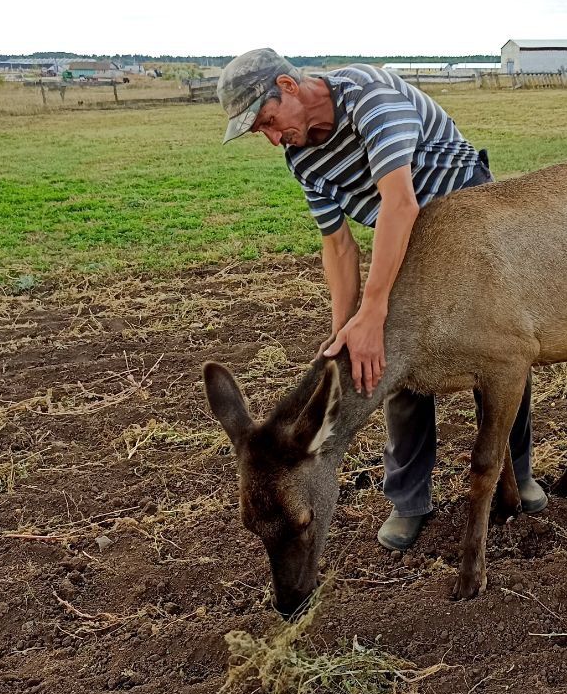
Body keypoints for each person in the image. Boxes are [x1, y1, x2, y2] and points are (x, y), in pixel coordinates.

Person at [216, 49, 546, 550]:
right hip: (409, 232)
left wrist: (373, 310)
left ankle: (516, 473)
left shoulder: (371, 97)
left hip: (467, 214)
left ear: (287, 85)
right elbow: (338, 244)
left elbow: (400, 200)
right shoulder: (301, 156)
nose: (271, 137)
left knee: (497, 351)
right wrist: (345, 328)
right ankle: (410, 500)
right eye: (260, 131)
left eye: (267, 120)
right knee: (383, 361)